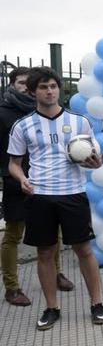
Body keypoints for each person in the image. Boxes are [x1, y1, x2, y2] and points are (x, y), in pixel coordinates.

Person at [7, 67, 103, 330]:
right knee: (45, 252)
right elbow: (14, 164)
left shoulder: (80, 122)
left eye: (53, 86)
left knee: (84, 250)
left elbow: (96, 156)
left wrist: (97, 163)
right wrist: (22, 178)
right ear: (32, 91)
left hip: (73, 194)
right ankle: (52, 308)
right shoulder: (23, 125)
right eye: (43, 87)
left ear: (59, 89)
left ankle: (97, 303)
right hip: (40, 196)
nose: (49, 91)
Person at [1, 67, 74, 307]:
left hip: (46, 184)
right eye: (20, 83)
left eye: (27, 83)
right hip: (15, 183)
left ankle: (55, 273)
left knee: (54, 233)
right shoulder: (3, 113)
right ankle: (11, 287)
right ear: (12, 84)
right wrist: (14, 175)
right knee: (13, 235)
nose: (25, 87)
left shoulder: (41, 111)